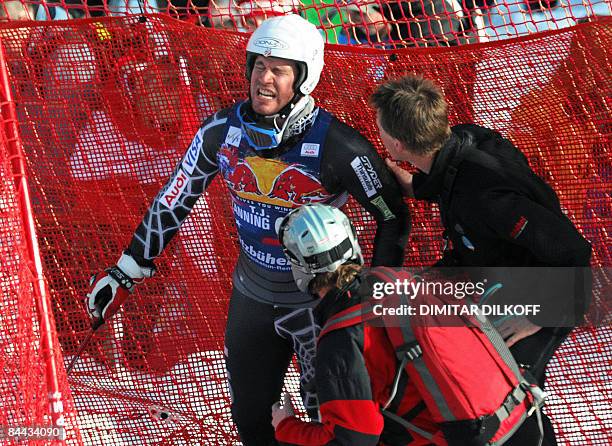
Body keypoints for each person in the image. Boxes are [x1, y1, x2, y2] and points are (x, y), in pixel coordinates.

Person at [86, 14, 410, 445]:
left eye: (279, 69)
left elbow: (393, 216)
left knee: (327, 427)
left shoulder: (340, 146)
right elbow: (174, 198)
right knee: (252, 423)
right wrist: (126, 269)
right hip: (252, 298)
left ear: (304, 76)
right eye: (259, 65)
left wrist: (373, 298)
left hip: (321, 308)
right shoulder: (222, 130)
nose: (264, 78)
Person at [371, 74, 592, 444]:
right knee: (400, 307)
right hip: (485, 270)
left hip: (544, 291)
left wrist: (539, 317)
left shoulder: (488, 198)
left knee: (511, 393)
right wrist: (414, 186)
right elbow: (452, 177)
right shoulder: (458, 141)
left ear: (395, 143)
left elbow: (573, 251)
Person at [272, 203, 546, 445]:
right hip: (519, 418)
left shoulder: (341, 340)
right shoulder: (399, 282)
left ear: (299, 268)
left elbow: (355, 438)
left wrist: (287, 427)